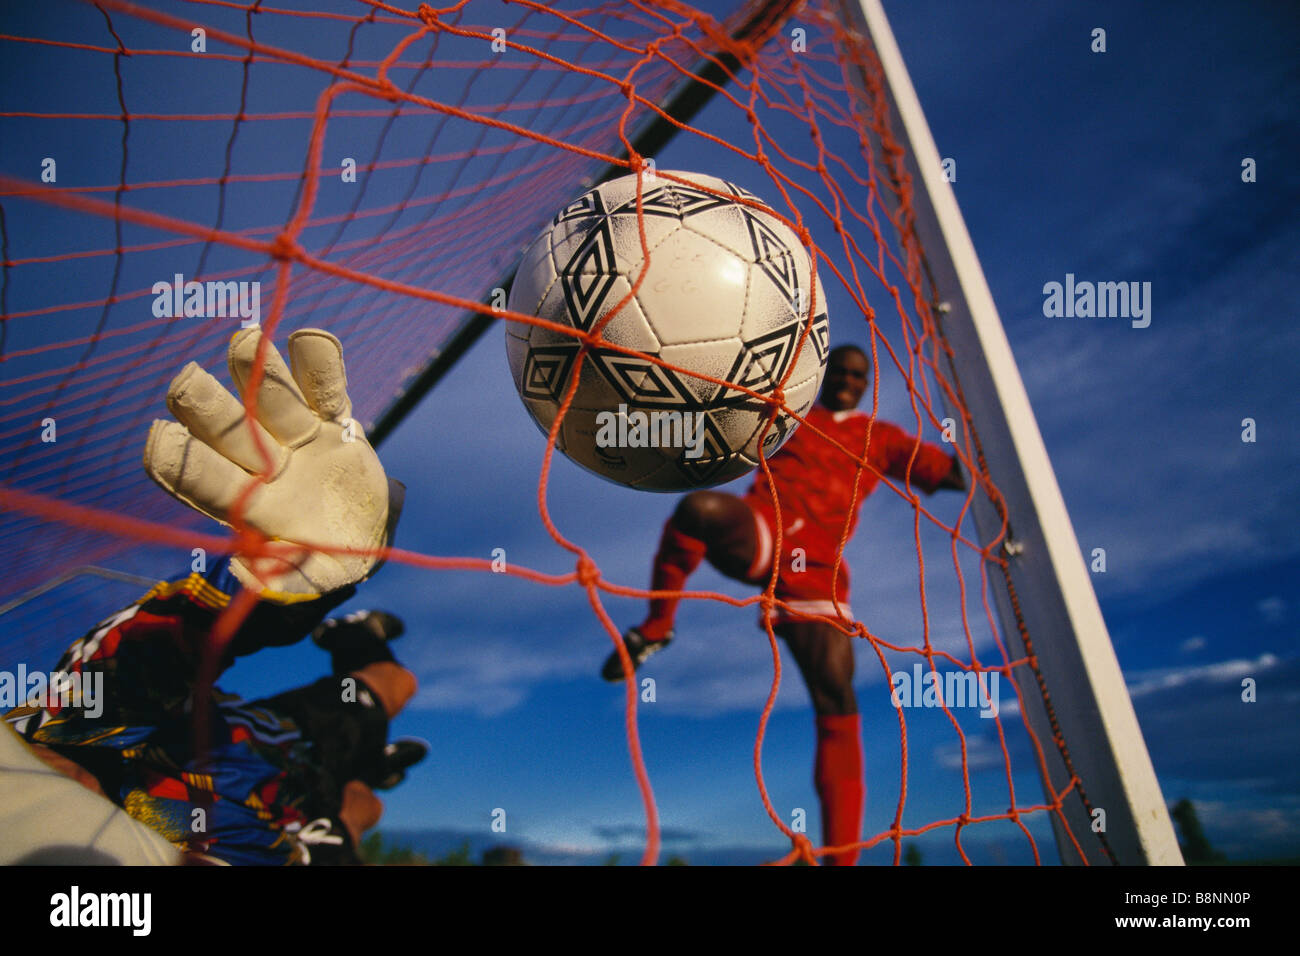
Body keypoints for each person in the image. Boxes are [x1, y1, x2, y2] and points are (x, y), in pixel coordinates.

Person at [4, 327, 424, 865]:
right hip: (296, 802)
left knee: (395, 686)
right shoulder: (184, 854)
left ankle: (351, 637)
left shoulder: (65, 734)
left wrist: (285, 584)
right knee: (364, 802)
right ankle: (373, 767)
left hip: (273, 731)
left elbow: (157, 647)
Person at [601, 344, 965, 866]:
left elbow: (952, 477)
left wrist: (977, 441)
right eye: (838, 369)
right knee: (699, 508)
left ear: (866, 384)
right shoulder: (786, 414)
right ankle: (656, 628)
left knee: (836, 701)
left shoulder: (879, 439)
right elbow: (711, 428)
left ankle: (842, 857)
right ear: (824, 375)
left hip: (817, 576)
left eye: (857, 374)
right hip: (763, 532)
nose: (846, 378)